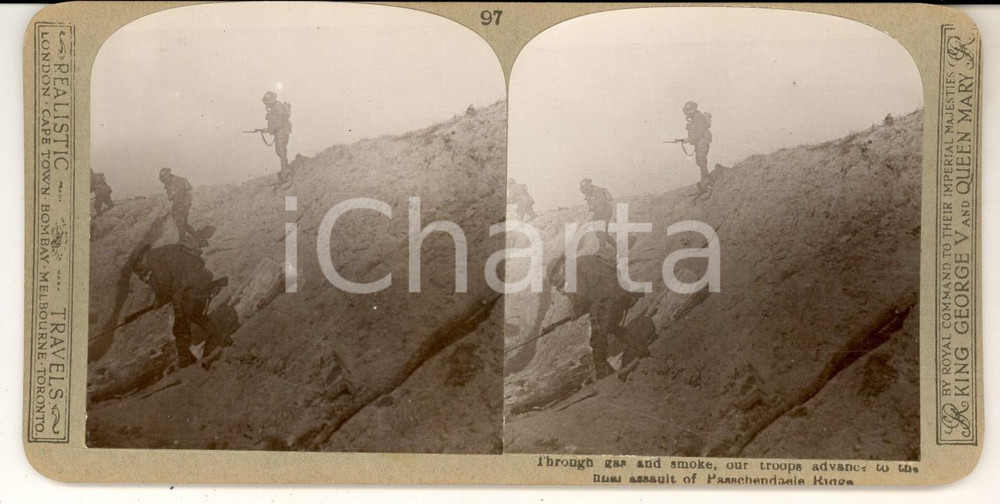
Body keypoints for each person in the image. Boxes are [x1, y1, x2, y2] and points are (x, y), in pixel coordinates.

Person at [132, 244, 226, 369]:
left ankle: (184, 362)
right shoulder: (164, 252)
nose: (142, 272)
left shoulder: (152, 257)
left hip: (189, 286)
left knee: (181, 326)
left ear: (141, 257)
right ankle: (224, 338)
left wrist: (159, 299)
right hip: (199, 280)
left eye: (139, 269)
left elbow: (164, 281)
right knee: (195, 315)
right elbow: (171, 281)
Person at [548, 255, 641, 380]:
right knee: (610, 327)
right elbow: (590, 293)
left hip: (607, 300)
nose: (559, 287)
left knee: (597, 338)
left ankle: (601, 376)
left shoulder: (572, 269)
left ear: (559, 268)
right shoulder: (581, 262)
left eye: (558, 283)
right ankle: (642, 349)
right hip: (617, 296)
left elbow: (582, 296)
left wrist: (575, 308)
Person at [159, 167, 204, 246]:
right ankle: (199, 239)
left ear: (168, 176)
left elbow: (179, 197)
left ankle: (182, 241)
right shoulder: (169, 183)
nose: (164, 182)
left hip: (184, 203)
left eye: (165, 179)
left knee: (181, 223)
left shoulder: (178, 181)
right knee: (184, 224)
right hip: (179, 203)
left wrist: (175, 208)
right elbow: (170, 197)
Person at [260, 91, 293, 182]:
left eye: (268, 101)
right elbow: (275, 121)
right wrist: (268, 129)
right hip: (279, 132)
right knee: (279, 151)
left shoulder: (278, 106)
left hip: (283, 131)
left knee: (282, 152)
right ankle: (286, 169)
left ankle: (286, 173)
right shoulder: (274, 108)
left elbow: (280, 122)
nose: (267, 104)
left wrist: (269, 129)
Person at [579, 178, 616, 255]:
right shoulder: (589, 192)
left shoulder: (598, 191)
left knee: (601, 232)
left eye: (586, 189)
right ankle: (617, 247)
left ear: (589, 186)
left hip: (605, 213)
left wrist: (594, 217)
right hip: (598, 213)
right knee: (601, 233)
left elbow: (600, 206)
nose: (585, 191)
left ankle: (602, 250)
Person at [682, 101, 713, 193]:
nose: (687, 115)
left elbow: (699, 133)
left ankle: (706, 182)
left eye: (688, 113)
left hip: (703, 141)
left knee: (702, 161)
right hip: (700, 142)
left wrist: (689, 139)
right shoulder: (695, 118)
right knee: (699, 161)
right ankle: (706, 180)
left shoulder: (698, 118)